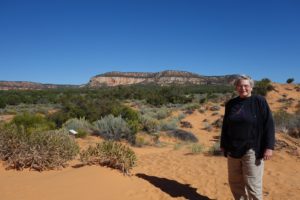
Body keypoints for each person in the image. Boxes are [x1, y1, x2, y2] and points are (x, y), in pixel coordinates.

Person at [220, 75, 275, 200]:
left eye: (246, 85)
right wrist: (223, 145)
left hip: (252, 149)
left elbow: (269, 124)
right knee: (235, 182)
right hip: (233, 148)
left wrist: (269, 147)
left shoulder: (259, 101)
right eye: (239, 86)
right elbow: (226, 125)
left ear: (251, 87)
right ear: (236, 87)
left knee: (253, 184)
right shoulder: (231, 104)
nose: (243, 88)